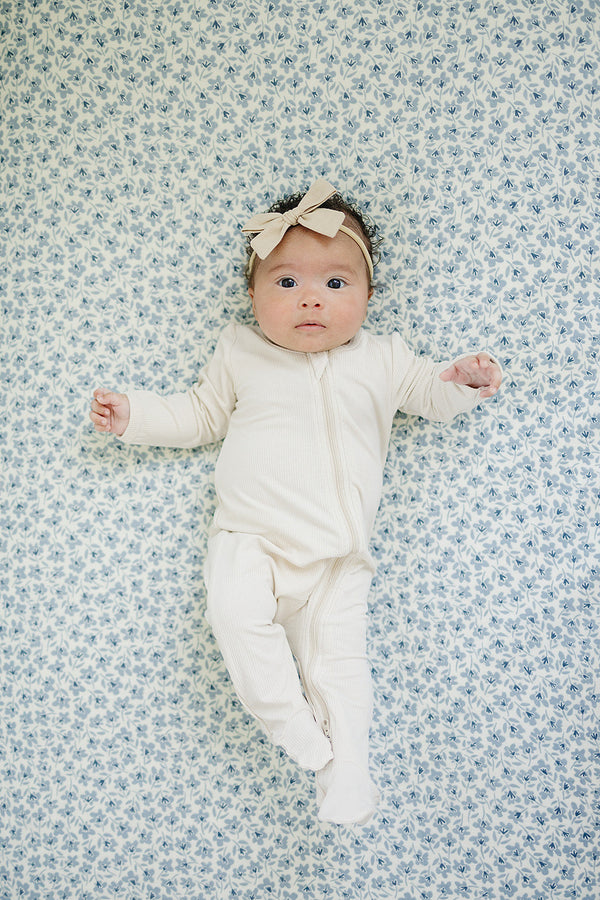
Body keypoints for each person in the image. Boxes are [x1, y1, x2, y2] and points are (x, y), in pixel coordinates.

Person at [90, 179, 502, 825]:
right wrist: (135, 415)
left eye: (336, 284)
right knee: (233, 619)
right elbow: (198, 416)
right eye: (286, 283)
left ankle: (351, 772)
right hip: (250, 542)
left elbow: (429, 392)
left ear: (368, 295)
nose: (311, 297)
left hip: (339, 559)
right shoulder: (241, 354)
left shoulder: (384, 359)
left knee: (341, 666)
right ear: (253, 295)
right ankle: (306, 742)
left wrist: (460, 381)